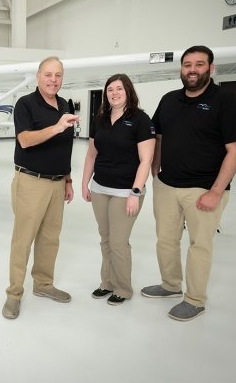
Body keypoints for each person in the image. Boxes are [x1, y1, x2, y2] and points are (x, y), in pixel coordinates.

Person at [141, 45, 236, 321]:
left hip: (204, 188)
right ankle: (170, 285)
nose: (192, 70)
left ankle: (195, 299)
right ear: (181, 69)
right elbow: (159, 137)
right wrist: (155, 171)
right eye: (187, 64)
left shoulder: (226, 100)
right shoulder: (168, 100)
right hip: (167, 185)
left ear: (211, 69)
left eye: (199, 64)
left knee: (199, 245)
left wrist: (216, 191)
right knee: (166, 240)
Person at [2, 56, 80, 320]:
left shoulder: (64, 104)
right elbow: (24, 140)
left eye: (58, 75)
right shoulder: (25, 104)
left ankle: (44, 284)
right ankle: (14, 294)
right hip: (31, 182)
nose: (53, 80)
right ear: (38, 76)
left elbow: (66, 146)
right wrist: (57, 127)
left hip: (57, 183)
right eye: (48, 74)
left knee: (50, 239)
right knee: (23, 240)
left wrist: (68, 180)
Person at [81, 74, 156, 306]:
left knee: (118, 242)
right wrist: (85, 182)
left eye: (119, 89)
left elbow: (146, 159)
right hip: (101, 188)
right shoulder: (100, 119)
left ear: (128, 91)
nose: (114, 93)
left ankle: (123, 288)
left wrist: (136, 191)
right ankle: (107, 283)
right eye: (110, 89)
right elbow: (92, 154)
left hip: (126, 191)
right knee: (105, 238)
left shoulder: (141, 120)